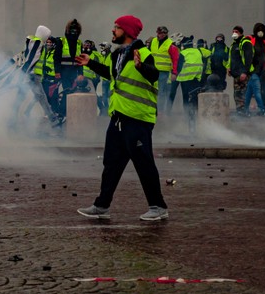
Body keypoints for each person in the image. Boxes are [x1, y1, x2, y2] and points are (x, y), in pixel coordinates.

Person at [76, 15, 168, 221]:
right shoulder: (116, 54)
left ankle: (158, 206)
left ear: (126, 31)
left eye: (116, 27)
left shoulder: (142, 52)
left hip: (138, 117)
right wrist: (90, 63)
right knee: (111, 163)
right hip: (118, 117)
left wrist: (141, 67)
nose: (113, 31)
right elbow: (111, 75)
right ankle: (102, 206)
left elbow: (154, 74)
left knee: (144, 163)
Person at [173, 36, 204, 134]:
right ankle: (195, 120)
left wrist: (174, 75)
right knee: (194, 101)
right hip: (196, 80)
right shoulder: (198, 51)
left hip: (185, 80)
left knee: (186, 101)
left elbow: (179, 66)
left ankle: (188, 122)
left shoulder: (183, 53)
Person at [149, 26, 179, 115]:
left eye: (162, 33)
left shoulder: (170, 44)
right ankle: (152, 109)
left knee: (161, 92)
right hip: (153, 70)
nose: (160, 35)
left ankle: (160, 111)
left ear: (166, 34)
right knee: (152, 90)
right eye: (159, 33)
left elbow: (175, 59)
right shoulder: (153, 41)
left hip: (163, 72)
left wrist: (174, 72)